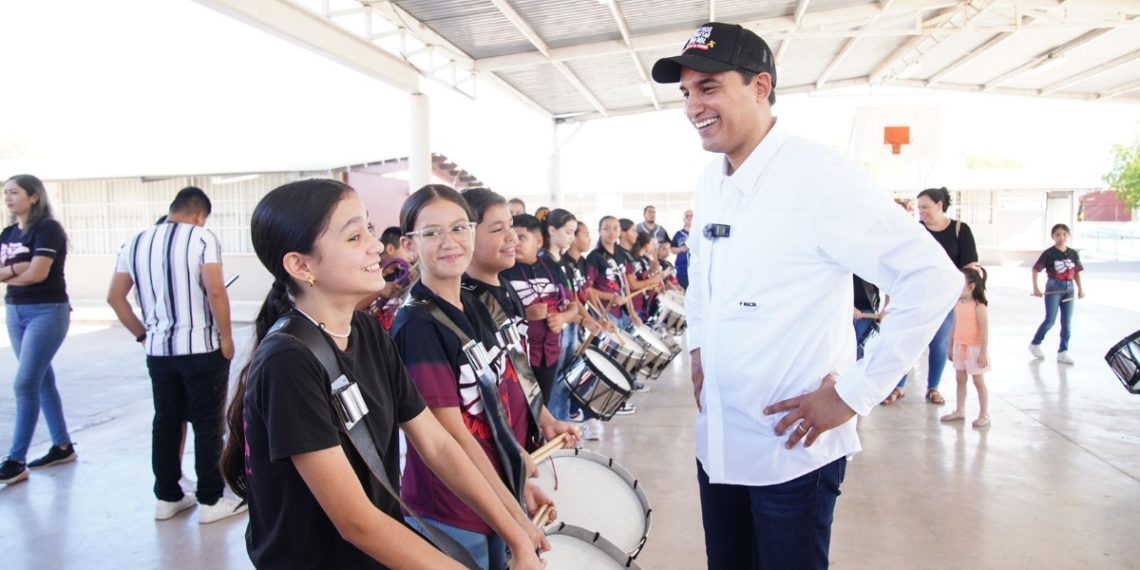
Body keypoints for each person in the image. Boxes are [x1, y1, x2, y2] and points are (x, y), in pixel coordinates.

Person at [652, 22, 962, 568]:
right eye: (685, 93)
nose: (692, 106)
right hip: (719, 441)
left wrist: (854, 393)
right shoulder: (711, 179)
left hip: (791, 453)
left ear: (760, 87)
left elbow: (933, 278)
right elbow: (702, 275)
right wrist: (699, 346)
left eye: (708, 87)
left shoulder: (819, 177)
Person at [219, 179, 543, 569]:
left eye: (369, 229)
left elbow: (437, 445)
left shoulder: (367, 331)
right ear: (301, 265)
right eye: (355, 236)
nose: (376, 245)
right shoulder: (288, 362)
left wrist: (515, 532)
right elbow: (357, 522)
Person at [392, 185, 569, 569]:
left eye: (458, 228)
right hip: (452, 510)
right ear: (410, 245)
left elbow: (496, 405)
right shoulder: (417, 325)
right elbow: (452, 439)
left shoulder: (473, 304)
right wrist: (515, 523)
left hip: (491, 498)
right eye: (432, 232)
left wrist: (516, 483)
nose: (450, 242)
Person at [106, 186, 244, 522]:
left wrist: (142, 334)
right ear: (200, 214)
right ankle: (211, 501)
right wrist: (226, 337)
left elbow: (115, 298)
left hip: (158, 352)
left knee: (166, 422)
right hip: (201, 348)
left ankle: (167, 497)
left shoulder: (134, 242)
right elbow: (215, 290)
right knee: (208, 423)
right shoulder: (201, 239)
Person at [0, 174, 75, 486]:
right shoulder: (7, 232)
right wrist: (22, 268)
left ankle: (16, 460)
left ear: (34, 196)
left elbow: (39, 273)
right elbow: (27, 272)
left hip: (48, 311)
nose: (7, 198)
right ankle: (62, 446)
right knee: (41, 380)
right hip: (15, 310)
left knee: (25, 383)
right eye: (5, 193)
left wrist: (13, 272)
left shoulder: (48, 229)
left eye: (14, 192)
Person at [894, 186, 980, 406]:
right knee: (910, 341)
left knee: (939, 345)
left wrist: (967, 297)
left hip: (948, 300)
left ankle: (933, 388)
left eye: (926, 207)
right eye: (919, 208)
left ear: (940, 205)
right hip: (919, 296)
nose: (921, 212)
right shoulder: (917, 231)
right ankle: (898, 386)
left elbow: (970, 267)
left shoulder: (960, 230)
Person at [503, 213, 578, 405]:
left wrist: (562, 319)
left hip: (550, 353)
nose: (515, 243)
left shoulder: (553, 268)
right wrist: (524, 314)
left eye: (522, 238)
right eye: (512, 238)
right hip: (518, 357)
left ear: (538, 241)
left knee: (542, 407)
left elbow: (573, 308)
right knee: (520, 409)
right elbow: (495, 316)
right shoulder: (504, 271)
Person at [941, 267, 991, 428]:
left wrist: (982, 353)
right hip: (959, 346)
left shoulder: (979, 307)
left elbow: (984, 332)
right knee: (960, 379)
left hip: (974, 349)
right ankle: (960, 410)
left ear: (971, 287)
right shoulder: (958, 304)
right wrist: (950, 346)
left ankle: (984, 413)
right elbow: (954, 326)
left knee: (978, 380)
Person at [1029, 223, 1085, 364]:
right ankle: (1035, 343)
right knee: (1050, 320)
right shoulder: (1049, 253)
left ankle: (1063, 351)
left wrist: (1081, 289)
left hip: (1069, 289)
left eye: (1064, 234)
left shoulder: (1073, 253)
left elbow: (1076, 272)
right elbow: (1036, 269)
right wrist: (1036, 288)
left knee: (1067, 322)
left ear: (1069, 236)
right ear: (1053, 237)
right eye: (1058, 234)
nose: (1061, 237)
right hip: (1054, 288)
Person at [361, 226, 418, 331]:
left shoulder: (402, 276)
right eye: (406, 249)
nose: (412, 255)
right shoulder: (364, 271)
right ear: (391, 249)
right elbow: (355, 310)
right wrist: (379, 291)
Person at [671, 210, 693, 289]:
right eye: (687, 216)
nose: (689, 218)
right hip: (682, 271)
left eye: (691, 216)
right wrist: (681, 249)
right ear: (683, 219)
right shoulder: (678, 234)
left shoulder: (699, 233)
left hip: (696, 270)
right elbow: (672, 249)